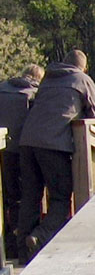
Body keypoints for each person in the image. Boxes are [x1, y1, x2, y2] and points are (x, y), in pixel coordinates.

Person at [16, 49, 95, 262]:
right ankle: (40, 236)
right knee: (61, 197)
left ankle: (21, 252)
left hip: (27, 141)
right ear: (83, 67)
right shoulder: (82, 80)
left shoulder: (47, 78)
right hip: (53, 144)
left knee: (30, 196)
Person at [0, 64, 44, 259]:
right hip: (23, 149)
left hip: (2, 150)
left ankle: (8, 244)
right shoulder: (34, 94)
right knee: (27, 197)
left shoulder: (3, 88)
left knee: (8, 198)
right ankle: (23, 246)